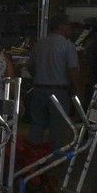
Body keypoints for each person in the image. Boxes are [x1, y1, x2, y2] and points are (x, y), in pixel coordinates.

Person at [28, 13, 82, 144]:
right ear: (61, 26)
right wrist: (77, 88)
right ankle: (56, 159)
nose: (71, 29)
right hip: (59, 91)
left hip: (38, 89)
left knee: (37, 124)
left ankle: (32, 156)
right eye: (69, 26)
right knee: (58, 126)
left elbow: (31, 67)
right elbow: (72, 70)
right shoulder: (68, 46)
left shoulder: (39, 44)